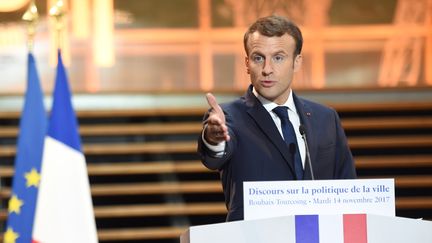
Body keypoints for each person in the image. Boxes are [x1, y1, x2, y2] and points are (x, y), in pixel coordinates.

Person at [197, 15, 356, 221]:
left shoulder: (325, 118)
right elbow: (213, 157)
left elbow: (348, 189)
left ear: (297, 62)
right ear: (247, 63)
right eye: (258, 58)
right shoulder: (228, 117)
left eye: (278, 57)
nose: (267, 69)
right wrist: (214, 138)